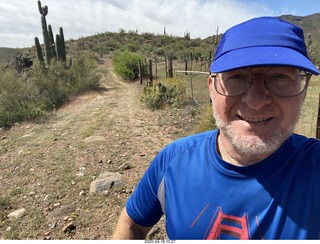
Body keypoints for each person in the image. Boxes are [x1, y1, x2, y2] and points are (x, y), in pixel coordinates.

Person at [112, 16, 320, 240]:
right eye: (237, 76)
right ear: (212, 88)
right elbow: (132, 223)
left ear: (304, 89)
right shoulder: (174, 160)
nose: (256, 100)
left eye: (280, 76)